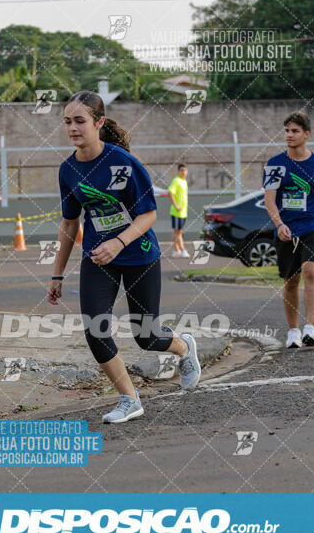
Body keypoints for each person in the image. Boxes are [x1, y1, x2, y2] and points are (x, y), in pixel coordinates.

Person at [47, 91, 201, 423]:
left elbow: (148, 215)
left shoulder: (124, 163)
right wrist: (57, 274)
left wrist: (118, 242)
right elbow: (70, 223)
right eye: (67, 122)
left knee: (146, 335)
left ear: (99, 123)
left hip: (140, 256)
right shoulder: (68, 170)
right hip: (98, 258)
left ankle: (184, 347)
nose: (73, 128)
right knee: (94, 328)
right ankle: (129, 398)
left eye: (80, 121)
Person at [263, 111, 314, 348]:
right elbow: (269, 200)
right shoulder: (275, 164)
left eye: (295, 131)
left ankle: (311, 328)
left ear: (307, 134)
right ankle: (293, 331)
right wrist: (279, 224)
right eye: (287, 131)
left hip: (313, 226)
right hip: (286, 229)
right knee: (290, 281)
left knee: (311, 272)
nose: (289, 135)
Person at [168, 163, 190, 258]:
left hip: (183, 212)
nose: (183, 172)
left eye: (185, 170)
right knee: (178, 232)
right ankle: (183, 250)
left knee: (177, 232)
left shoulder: (184, 181)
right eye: (181, 170)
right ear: (178, 171)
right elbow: (170, 192)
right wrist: (176, 205)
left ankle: (176, 251)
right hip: (177, 212)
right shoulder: (176, 180)